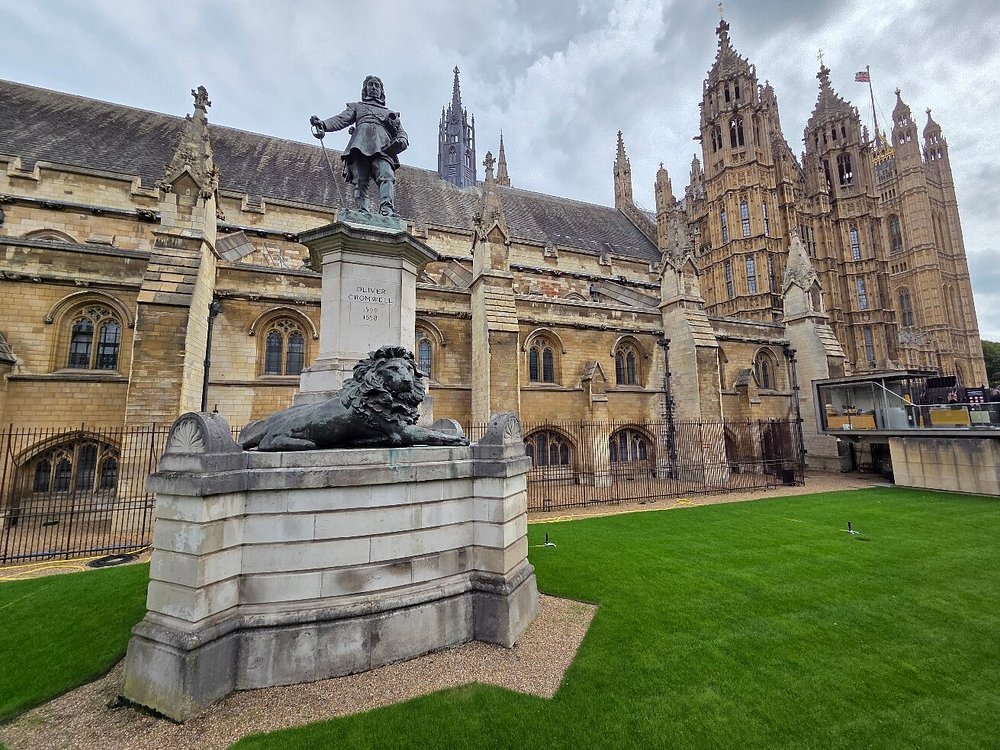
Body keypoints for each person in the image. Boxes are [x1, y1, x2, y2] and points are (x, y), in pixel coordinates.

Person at [310, 75, 408, 217]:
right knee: (361, 180)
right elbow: (341, 119)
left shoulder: (390, 113)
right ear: (365, 89)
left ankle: (387, 210)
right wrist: (323, 124)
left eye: (377, 85)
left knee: (387, 175)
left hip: (383, 148)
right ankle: (363, 211)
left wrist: (402, 140)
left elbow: (401, 132)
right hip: (360, 146)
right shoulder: (357, 107)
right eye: (370, 85)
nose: (374, 88)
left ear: (381, 91)